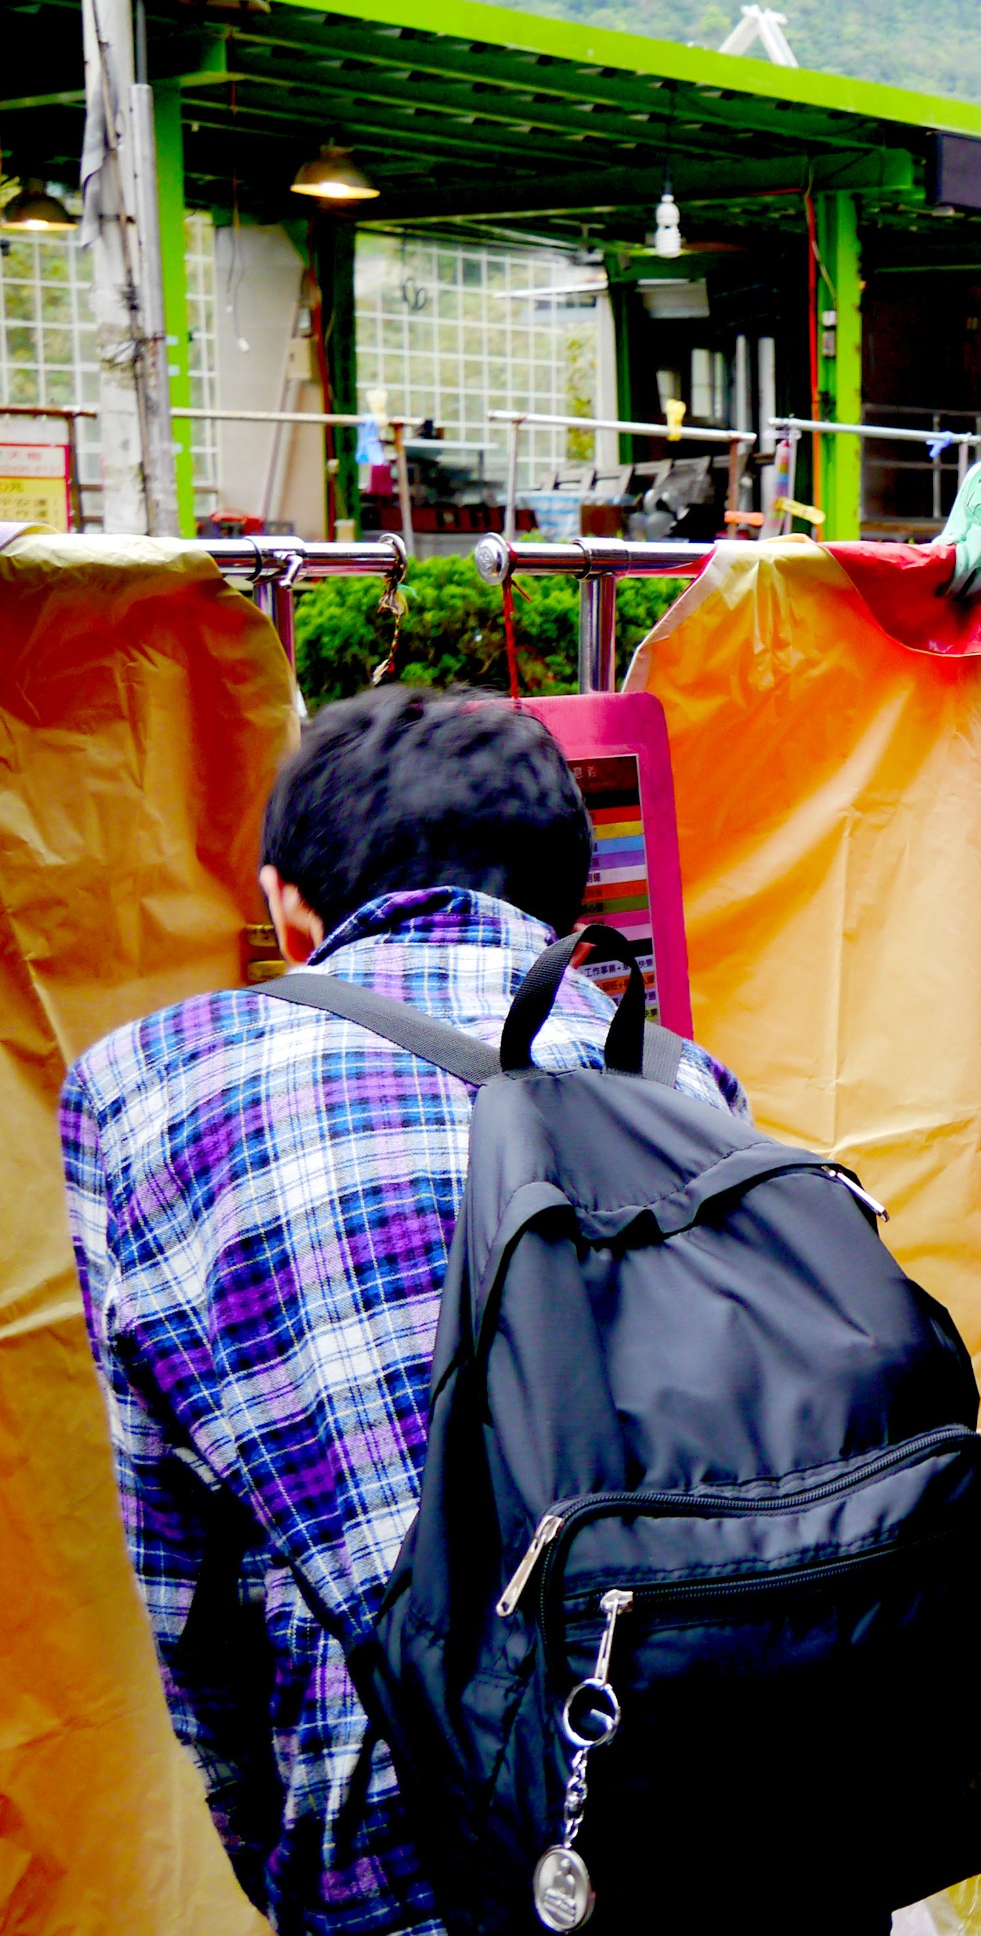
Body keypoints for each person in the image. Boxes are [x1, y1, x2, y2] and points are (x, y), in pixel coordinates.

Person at [59, 689, 751, 1936]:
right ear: (557, 905)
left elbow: (190, 1596)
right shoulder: (681, 1078)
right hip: (740, 1788)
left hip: (417, 1844)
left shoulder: (140, 1090)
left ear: (287, 906)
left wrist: (277, 1855)